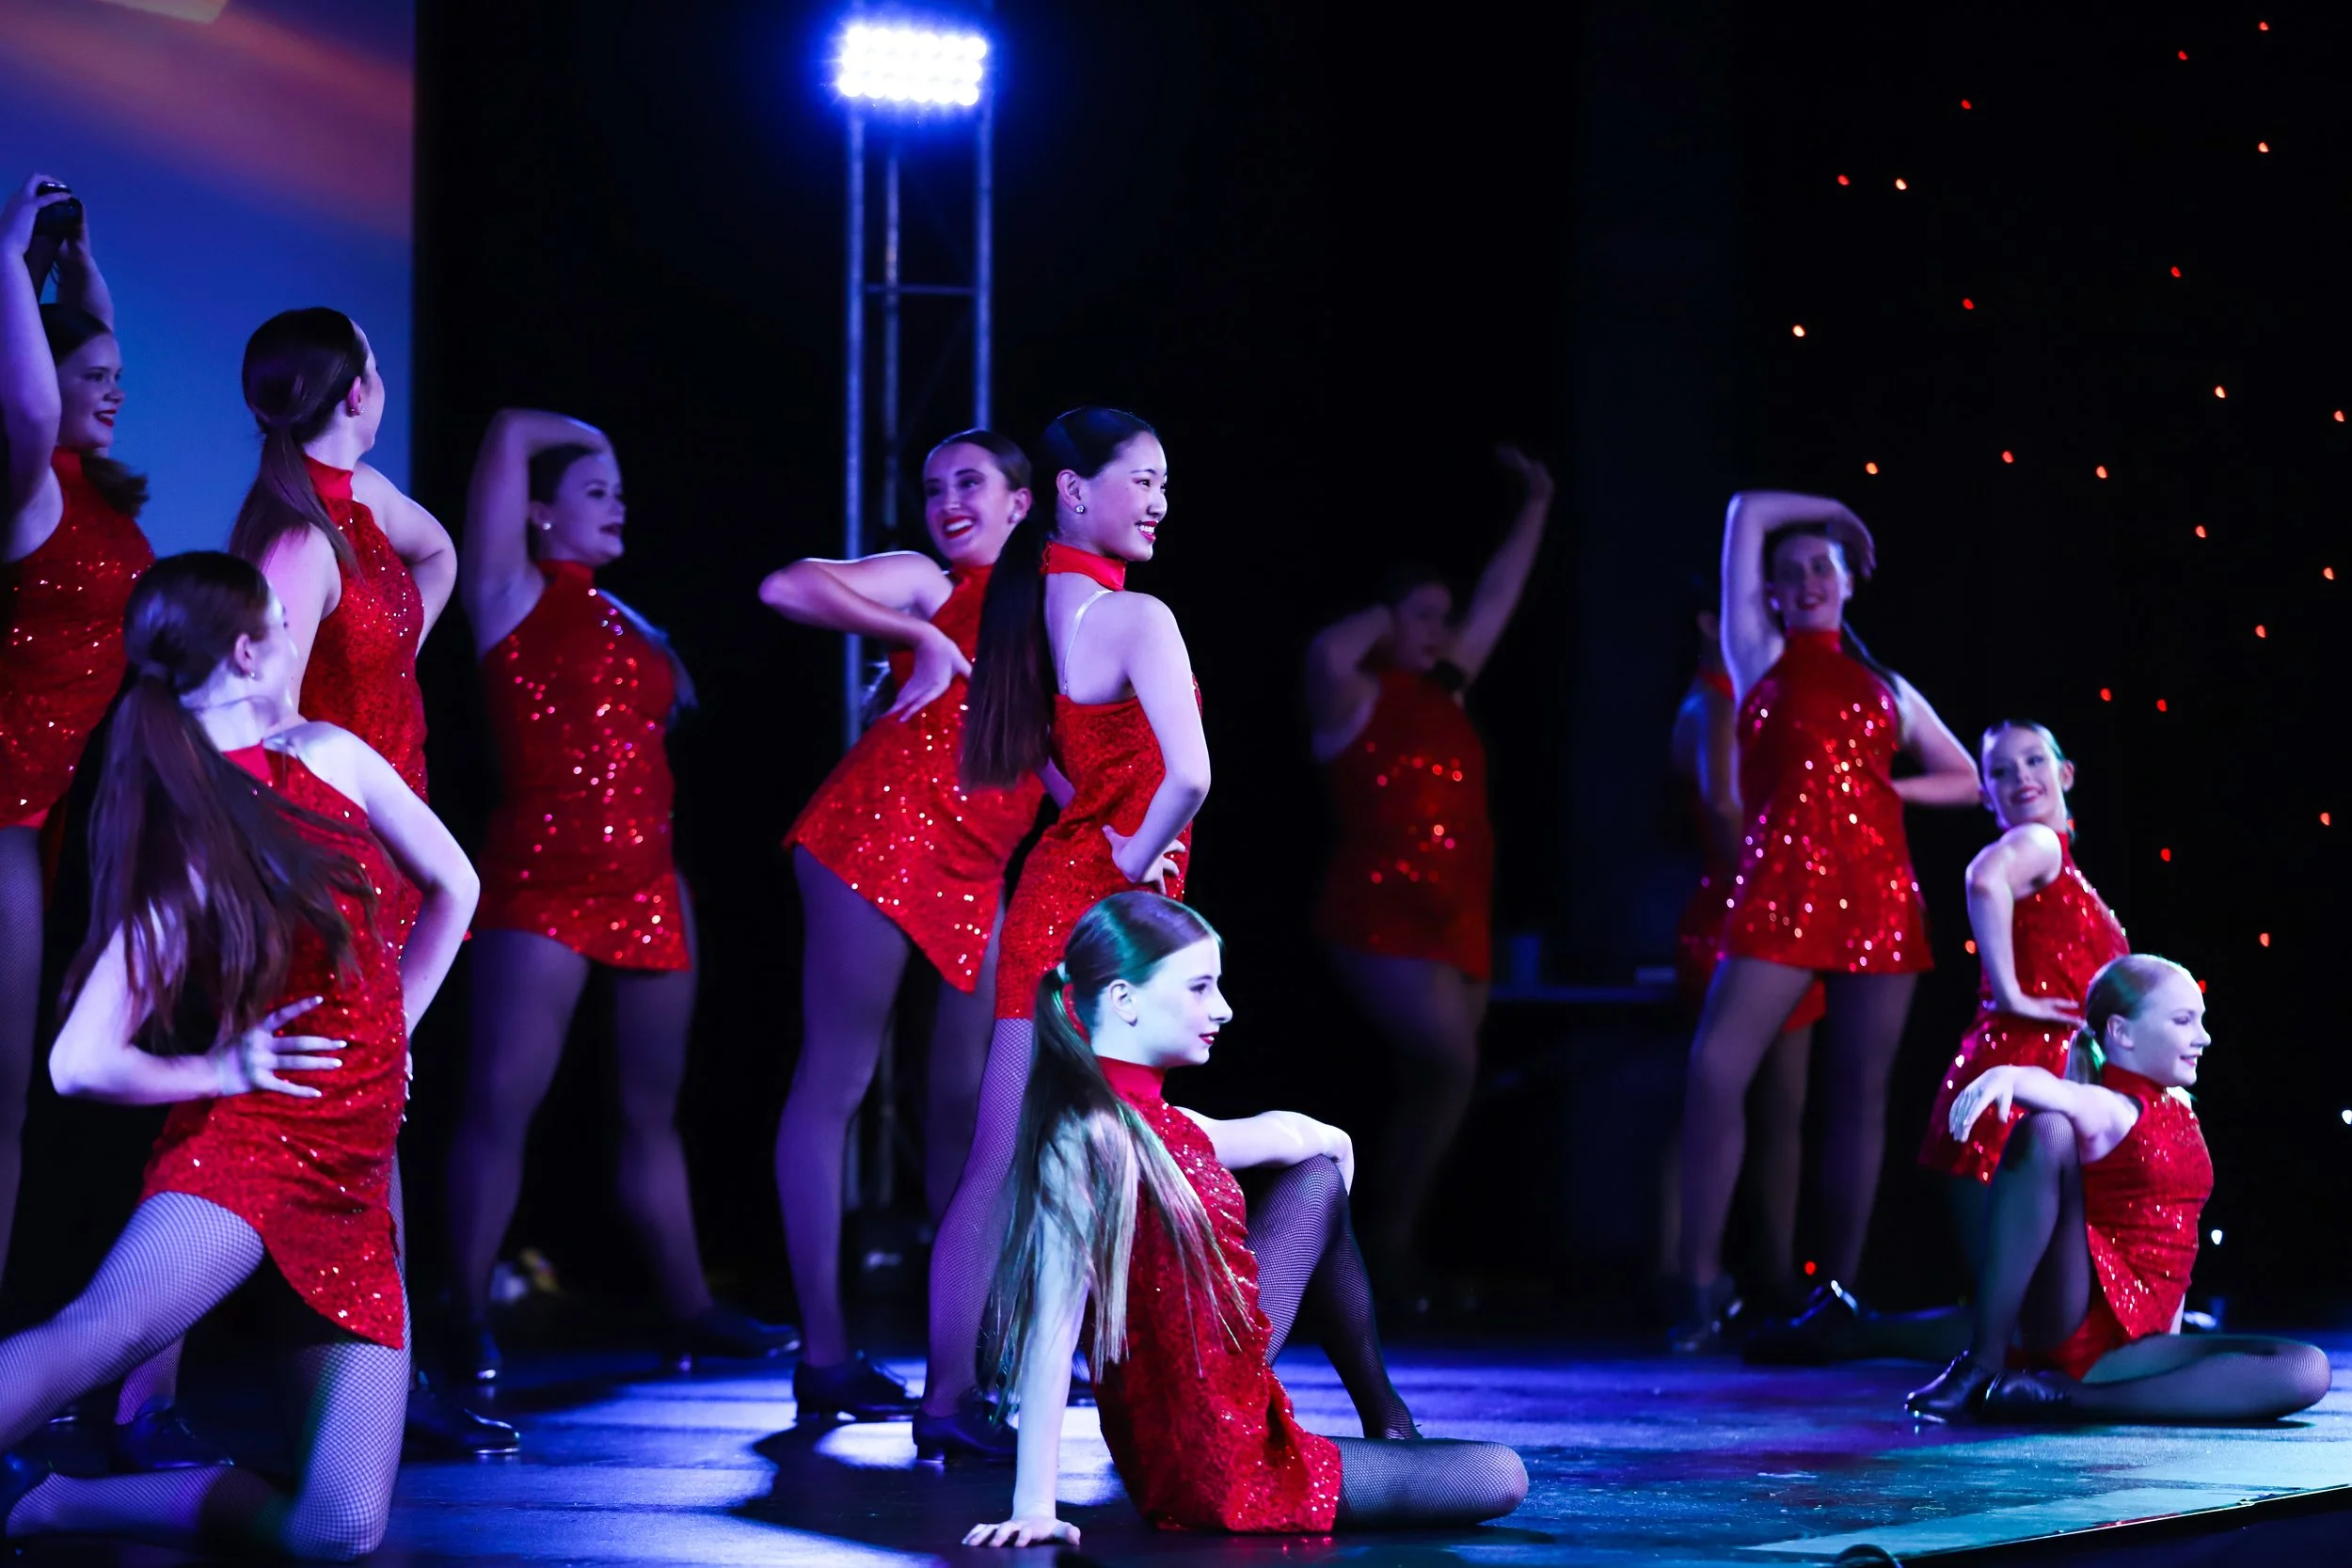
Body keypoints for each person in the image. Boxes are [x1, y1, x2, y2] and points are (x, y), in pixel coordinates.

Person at [0, 551, 476, 1557]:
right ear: (250, 651)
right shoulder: (194, 828)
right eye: (285, 627)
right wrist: (217, 1072)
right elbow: (80, 1060)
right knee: (101, 1332)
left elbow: (456, 885)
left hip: (353, 1181)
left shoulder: (332, 754)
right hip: (252, 1152)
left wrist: (395, 1026)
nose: (300, 642)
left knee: (340, 1527)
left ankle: (50, 1504)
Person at [961, 892, 1526, 1547]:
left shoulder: (1159, 1123)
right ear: (1124, 1001)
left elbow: (1284, 1138)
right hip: (1218, 1466)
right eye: (1200, 988)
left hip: (1223, 1392)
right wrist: (1034, 1503)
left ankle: (1390, 1421)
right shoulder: (1088, 1140)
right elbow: (1053, 1329)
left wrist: (1334, 1145)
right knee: (1501, 1473)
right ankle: (1389, 1423)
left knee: (1316, 1178)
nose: (1223, 1009)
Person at [442, 410, 793, 1384]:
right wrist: (589, 433)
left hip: (647, 881)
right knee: (500, 1103)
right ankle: (462, 1310)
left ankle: (688, 1307)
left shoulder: (628, 618)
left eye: (620, 491)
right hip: (543, 878)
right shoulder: (506, 592)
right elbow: (505, 429)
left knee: (652, 1112)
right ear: (538, 513)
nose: (618, 504)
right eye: (595, 490)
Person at [224, 308, 511, 1456]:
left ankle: (379, 1384)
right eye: (375, 368)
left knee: (372, 1112)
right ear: (355, 392)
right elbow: (264, 721)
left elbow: (437, 559)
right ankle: (152, 1397)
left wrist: (387, 657)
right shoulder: (298, 537)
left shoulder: (362, 503)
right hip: (338, 856)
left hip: (389, 835)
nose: (382, 383)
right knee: (322, 1118)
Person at [920, 407, 1208, 1459]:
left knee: (1009, 1157)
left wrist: (1105, 835)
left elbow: (1049, 760)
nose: (1160, 502)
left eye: (1165, 483)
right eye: (1143, 479)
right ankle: (1134, 1394)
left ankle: (951, 1398)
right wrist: (1134, 859)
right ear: (1075, 490)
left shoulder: (1032, 604)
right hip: (1111, 918)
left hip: (1051, 897)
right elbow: (1192, 774)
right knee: (1103, 1155)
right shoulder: (1135, 617)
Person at [762, 430, 1045, 1419]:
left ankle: (968, 1357)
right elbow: (786, 586)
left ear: (1023, 502)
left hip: (978, 867)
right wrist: (920, 637)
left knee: (970, 1107)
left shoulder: (1058, 605)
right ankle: (825, 1353)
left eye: (971, 482)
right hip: (874, 838)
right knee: (835, 1081)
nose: (948, 501)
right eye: (933, 487)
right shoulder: (931, 583)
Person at [1674, 491, 1979, 1352]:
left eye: (1823, 566)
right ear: (1769, 592)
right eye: (1792, 571)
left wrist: (1885, 790)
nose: (1808, 580)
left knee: (1858, 1097)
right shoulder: (1758, 656)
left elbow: (1966, 778)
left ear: (1847, 583)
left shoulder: (1887, 687)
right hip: (1779, 891)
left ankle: (1836, 1293)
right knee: (1715, 1072)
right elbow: (1744, 510)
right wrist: (1840, 513)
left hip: (1877, 893)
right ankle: (1699, 1283)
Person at [1303, 445, 1550, 1294]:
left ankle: (1385, 1246)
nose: (1442, 632)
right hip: (1379, 912)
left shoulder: (1446, 689)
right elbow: (1329, 650)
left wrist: (1537, 503)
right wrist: (1388, 614)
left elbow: (1496, 599)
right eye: (1424, 617)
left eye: (1446, 618)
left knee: (1437, 1085)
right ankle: (1381, 1239)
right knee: (1449, 1063)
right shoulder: (1350, 695)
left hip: (1459, 914)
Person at [1905, 955, 2330, 1423]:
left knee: (2307, 1368)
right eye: (2183, 1021)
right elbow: (2058, 1093)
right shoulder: (2110, 1107)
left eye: (2201, 1020)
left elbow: (2177, 1238)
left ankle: (2062, 1398)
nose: (2203, 1037)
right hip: (2083, 1325)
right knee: (2048, 1129)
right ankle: (1981, 1364)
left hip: (2141, 1341)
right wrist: (2004, 1075)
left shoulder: (2179, 1110)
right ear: (2122, 1033)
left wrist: (2171, 1339)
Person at [1666, 592, 1822, 1321]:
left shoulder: (1763, 691)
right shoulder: (1716, 700)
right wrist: (1762, 882)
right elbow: (1724, 804)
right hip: (1739, 913)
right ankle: (1688, 1276)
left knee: (1783, 1105)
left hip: (1786, 914)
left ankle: (1777, 1275)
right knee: (1715, 1093)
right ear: (1711, 620)